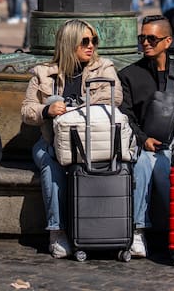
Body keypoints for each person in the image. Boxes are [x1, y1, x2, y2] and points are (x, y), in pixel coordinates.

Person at [21, 19, 121, 259]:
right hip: (51, 141)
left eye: (94, 41)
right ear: (68, 44)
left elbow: (114, 97)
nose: (91, 47)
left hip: (90, 141)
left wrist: (73, 109)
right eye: (84, 41)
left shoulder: (104, 68)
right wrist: (46, 111)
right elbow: (26, 110)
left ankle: (101, 230)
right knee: (50, 164)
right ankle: (57, 232)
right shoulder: (44, 73)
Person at [119, 14, 174, 258]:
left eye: (152, 38)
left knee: (167, 168)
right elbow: (126, 115)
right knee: (145, 163)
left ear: (168, 41)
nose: (145, 43)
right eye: (142, 37)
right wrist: (144, 139)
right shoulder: (129, 75)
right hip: (146, 145)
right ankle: (139, 230)